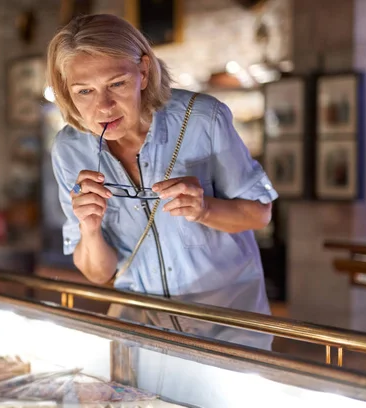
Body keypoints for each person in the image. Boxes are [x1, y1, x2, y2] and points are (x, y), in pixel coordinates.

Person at [46, 14, 278, 347]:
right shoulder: (69, 149)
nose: (103, 107)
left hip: (226, 319)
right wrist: (89, 227)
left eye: (116, 84)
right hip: (140, 320)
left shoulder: (203, 118)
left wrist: (203, 210)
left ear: (142, 71)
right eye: (84, 91)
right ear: (67, 91)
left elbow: (259, 214)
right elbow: (99, 274)